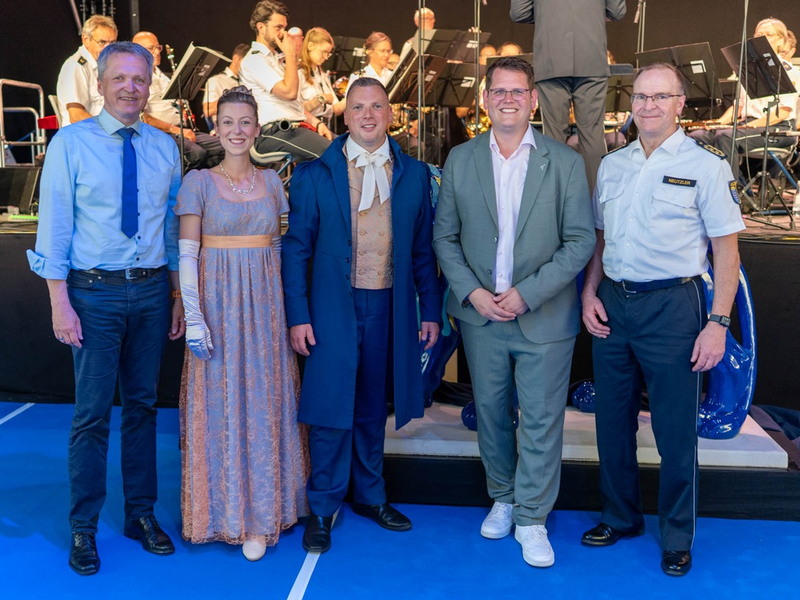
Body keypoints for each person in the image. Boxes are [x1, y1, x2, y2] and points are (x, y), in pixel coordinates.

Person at [581, 63, 744, 577]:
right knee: (611, 422)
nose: (648, 106)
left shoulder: (707, 165)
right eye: (640, 97)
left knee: (675, 431)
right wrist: (589, 292)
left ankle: (676, 534)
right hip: (614, 303)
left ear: (680, 104)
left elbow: (726, 252)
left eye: (660, 97)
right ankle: (620, 516)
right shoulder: (613, 164)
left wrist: (718, 322)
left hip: (674, 307)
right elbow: (600, 240)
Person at [433, 56, 595, 568]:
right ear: (484, 100)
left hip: (543, 315)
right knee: (492, 418)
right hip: (482, 316)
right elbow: (445, 236)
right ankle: (502, 497)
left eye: (517, 91)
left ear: (532, 100)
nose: (507, 99)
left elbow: (580, 241)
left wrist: (528, 293)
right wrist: (472, 294)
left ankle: (531, 518)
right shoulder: (460, 159)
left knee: (542, 421)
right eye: (498, 91)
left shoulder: (564, 162)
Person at [27, 41, 183, 576]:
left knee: (142, 409)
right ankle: (84, 527)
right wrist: (58, 303)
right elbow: (55, 228)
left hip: (151, 291)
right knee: (91, 416)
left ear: (149, 84)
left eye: (139, 79)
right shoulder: (69, 144)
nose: (129, 88)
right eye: (119, 78)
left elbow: (171, 228)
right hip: (92, 296)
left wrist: (179, 294)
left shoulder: (165, 149)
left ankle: (141, 515)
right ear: (100, 82)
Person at [282, 77, 442, 554]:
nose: (368, 115)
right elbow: (295, 251)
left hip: (388, 304)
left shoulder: (413, 174)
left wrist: (429, 310)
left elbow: (421, 252)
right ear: (345, 116)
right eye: (358, 108)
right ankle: (324, 505)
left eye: (377, 107)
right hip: (333, 306)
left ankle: (371, 496)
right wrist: (298, 314)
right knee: (332, 408)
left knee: (373, 406)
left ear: (390, 115)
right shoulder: (314, 174)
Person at [175, 86, 309, 562]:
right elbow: (187, 253)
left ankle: (261, 514)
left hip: (265, 308)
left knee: (263, 401)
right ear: (216, 127)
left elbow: (278, 249)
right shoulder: (198, 182)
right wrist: (193, 316)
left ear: (256, 128)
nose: (236, 131)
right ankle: (224, 513)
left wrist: (288, 312)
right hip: (217, 305)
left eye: (245, 122)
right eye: (227, 122)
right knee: (221, 402)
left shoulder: (273, 181)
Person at [510, 0, 627, 191]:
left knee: (552, 137)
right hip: (591, 57)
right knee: (592, 137)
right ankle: (594, 212)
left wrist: (547, 16)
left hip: (551, 57)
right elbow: (617, 11)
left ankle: (553, 204)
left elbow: (519, 12)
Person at [690, 18, 799, 171]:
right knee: (697, 136)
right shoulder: (748, 70)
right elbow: (739, 106)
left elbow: (782, 113)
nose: (762, 38)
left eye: (768, 34)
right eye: (759, 34)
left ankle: (729, 189)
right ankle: (702, 185)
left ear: (781, 41)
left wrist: (751, 125)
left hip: (778, 129)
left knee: (726, 137)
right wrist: (719, 123)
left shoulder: (789, 71)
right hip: (749, 125)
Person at [239, 0, 332, 162]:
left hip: (292, 128)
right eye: (278, 27)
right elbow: (289, 92)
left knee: (347, 147)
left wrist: (316, 123)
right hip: (271, 132)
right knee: (334, 154)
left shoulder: (275, 59)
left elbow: (294, 104)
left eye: (284, 27)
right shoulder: (254, 60)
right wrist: (290, 54)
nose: (284, 33)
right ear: (261, 27)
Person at [132, 31, 225, 171]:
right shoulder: (136, 78)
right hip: (161, 133)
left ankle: (210, 188)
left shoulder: (161, 75)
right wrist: (175, 129)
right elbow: (143, 118)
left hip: (180, 130)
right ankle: (181, 190)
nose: (157, 52)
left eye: (158, 47)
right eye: (151, 48)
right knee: (196, 155)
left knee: (224, 147)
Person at [55, 15, 118, 126]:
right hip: (85, 138)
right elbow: (76, 116)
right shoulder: (75, 66)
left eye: (112, 43)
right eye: (102, 42)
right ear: (86, 40)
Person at [298, 28, 345, 124]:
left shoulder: (322, 75)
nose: (326, 57)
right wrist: (320, 100)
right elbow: (295, 109)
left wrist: (352, 92)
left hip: (324, 126)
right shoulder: (299, 73)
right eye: (323, 52)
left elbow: (337, 109)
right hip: (308, 127)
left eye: (328, 54)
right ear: (310, 46)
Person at [203, 43, 250, 127]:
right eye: (247, 62)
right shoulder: (216, 80)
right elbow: (208, 110)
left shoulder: (248, 81)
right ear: (236, 58)